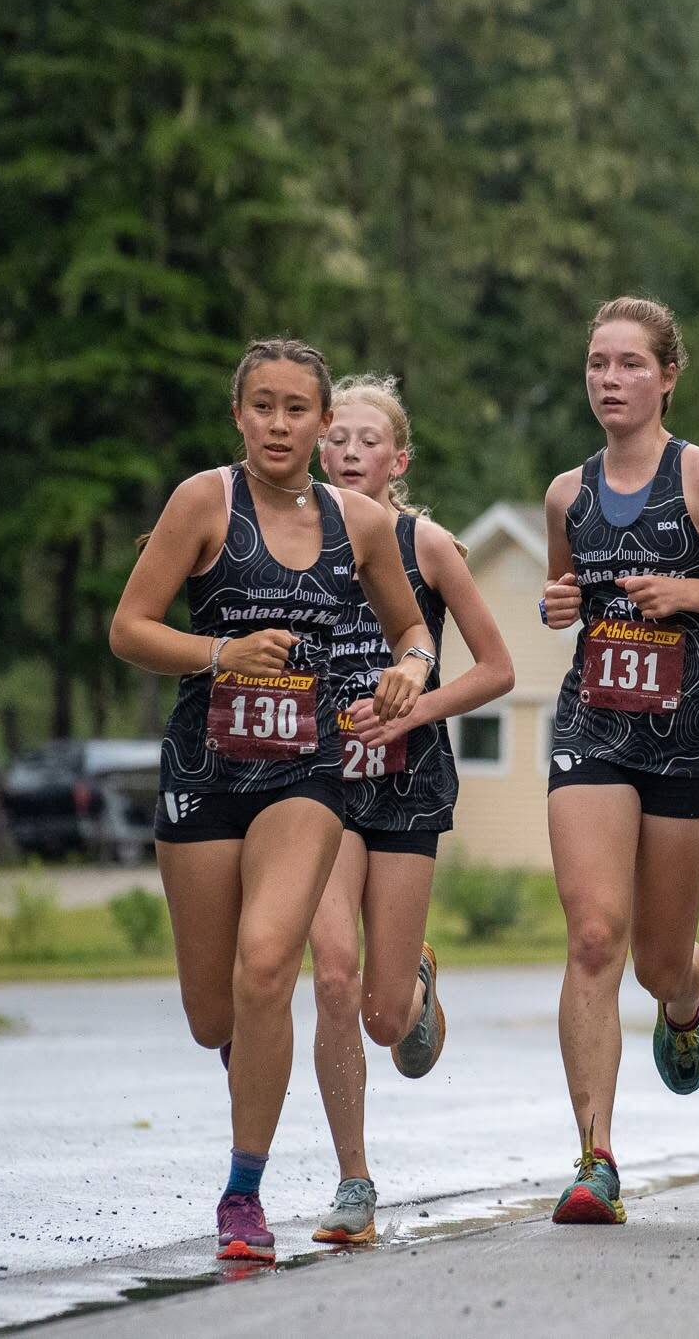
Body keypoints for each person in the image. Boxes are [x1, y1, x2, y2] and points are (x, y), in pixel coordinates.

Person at [110, 338, 434, 1262]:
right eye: (264, 406)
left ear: (325, 423)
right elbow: (129, 627)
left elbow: (411, 624)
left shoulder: (358, 524)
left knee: (267, 966)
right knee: (216, 1013)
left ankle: (243, 1195)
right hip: (204, 769)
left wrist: (412, 666)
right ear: (239, 415)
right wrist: (221, 653)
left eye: (298, 408)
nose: (281, 424)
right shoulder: (202, 502)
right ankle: (249, 1055)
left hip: (307, 773)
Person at [542, 297, 699, 1225]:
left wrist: (690, 589)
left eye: (629, 364)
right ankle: (595, 1157)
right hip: (594, 724)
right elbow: (566, 589)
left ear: (667, 376)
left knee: (654, 958)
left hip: (688, 734)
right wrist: (558, 606)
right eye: (597, 363)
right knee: (594, 935)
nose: (610, 379)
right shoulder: (566, 493)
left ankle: (686, 999)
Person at [305, 374, 516, 1245]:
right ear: (318, 447)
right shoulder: (287, 539)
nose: (349, 453)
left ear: (397, 459)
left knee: (383, 1016)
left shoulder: (424, 543)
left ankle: (415, 980)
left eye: (367, 441)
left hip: (406, 778)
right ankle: (354, 1182)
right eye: (337, 438)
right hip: (314, 781)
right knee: (331, 975)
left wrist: (415, 705)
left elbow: (497, 667)